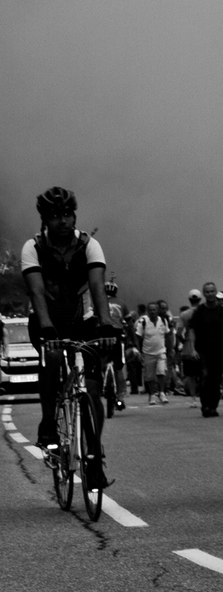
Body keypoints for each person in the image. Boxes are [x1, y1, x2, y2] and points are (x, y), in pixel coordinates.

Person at [20, 187, 117, 487]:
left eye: (67, 214)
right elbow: (36, 291)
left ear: (74, 215)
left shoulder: (90, 244)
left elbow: (97, 286)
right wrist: (47, 327)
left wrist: (106, 323)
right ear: (44, 221)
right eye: (54, 216)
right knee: (50, 357)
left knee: (91, 387)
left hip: (82, 320)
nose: (62, 221)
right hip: (47, 319)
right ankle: (49, 422)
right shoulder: (33, 247)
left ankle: (93, 457)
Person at [187, 282, 223, 417]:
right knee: (205, 376)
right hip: (203, 349)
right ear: (204, 294)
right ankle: (205, 405)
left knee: (216, 378)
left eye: (212, 291)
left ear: (215, 292)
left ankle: (213, 406)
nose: (210, 294)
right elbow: (192, 330)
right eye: (207, 292)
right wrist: (192, 349)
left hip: (218, 349)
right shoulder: (199, 311)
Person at [134, 302, 171, 404]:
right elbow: (137, 337)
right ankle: (152, 395)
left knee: (161, 372)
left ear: (157, 310)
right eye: (150, 310)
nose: (152, 312)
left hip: (161, 351)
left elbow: (168, 335)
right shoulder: (143, 322)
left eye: (154, 310)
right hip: (148, 353)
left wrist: (170, 349)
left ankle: (162, 392)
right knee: (149, 376)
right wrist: (138, 350)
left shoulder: (163, 321)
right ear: (147, 311)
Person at [104, 279, 128, 411]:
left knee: (99, 363)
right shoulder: (121, 303)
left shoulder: (98, 302)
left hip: (102, 334)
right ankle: (120, 397)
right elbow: (128, 320)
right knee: (119, 367)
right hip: (117, 335)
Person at [177, 290, 200, 398]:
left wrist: (184, 341)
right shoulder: (203, 311)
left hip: (188, 347)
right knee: (203, 372)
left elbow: (178, 333)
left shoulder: (184, 314)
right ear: (200, 299)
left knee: (190, 375)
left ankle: (193, 397)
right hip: (202, 345)